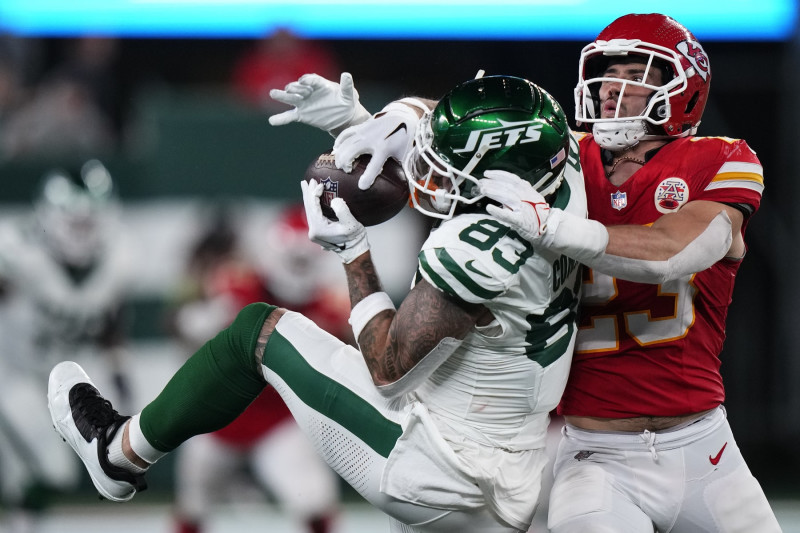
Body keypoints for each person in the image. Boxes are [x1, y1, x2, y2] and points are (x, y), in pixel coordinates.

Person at [267, 12, 782, 533]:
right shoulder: (564, 160)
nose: (611, 88)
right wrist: (372, 118)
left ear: (683, 89)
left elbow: (677, 250)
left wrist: (554, 226)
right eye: (606, 73)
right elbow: (465, 126)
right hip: (593, 452)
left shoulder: (719, 160)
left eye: (634, 73)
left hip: (702, 443)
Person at [47, 74, 587, 533]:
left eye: (454, 162)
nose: (435, 166)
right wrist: (374, 119)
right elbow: (439, 124)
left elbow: (388, 371)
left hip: (440, 467)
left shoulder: (477, 247)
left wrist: (353, 254)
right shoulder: (566, 173)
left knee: (258, 331)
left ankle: (118, 453)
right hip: (512, 462)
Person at [168, 205, 344, 533]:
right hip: (219, 420)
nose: (299, 268)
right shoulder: (235, 288)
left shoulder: (328, 308)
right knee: (193, 505)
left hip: (277, 422)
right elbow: (180, 328)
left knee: (315, 501)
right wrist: (199, 323)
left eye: (305, 260)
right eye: (295, 259)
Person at [0, 160, 133, 533]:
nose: (83, 231)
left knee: (36, 476)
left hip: (56, 379)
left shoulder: (117, 260)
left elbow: (111, 326)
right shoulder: (17, 253)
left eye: (90, 222)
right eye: (76, 222)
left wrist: (121, 376)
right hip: (12, 372)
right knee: (52, 469)